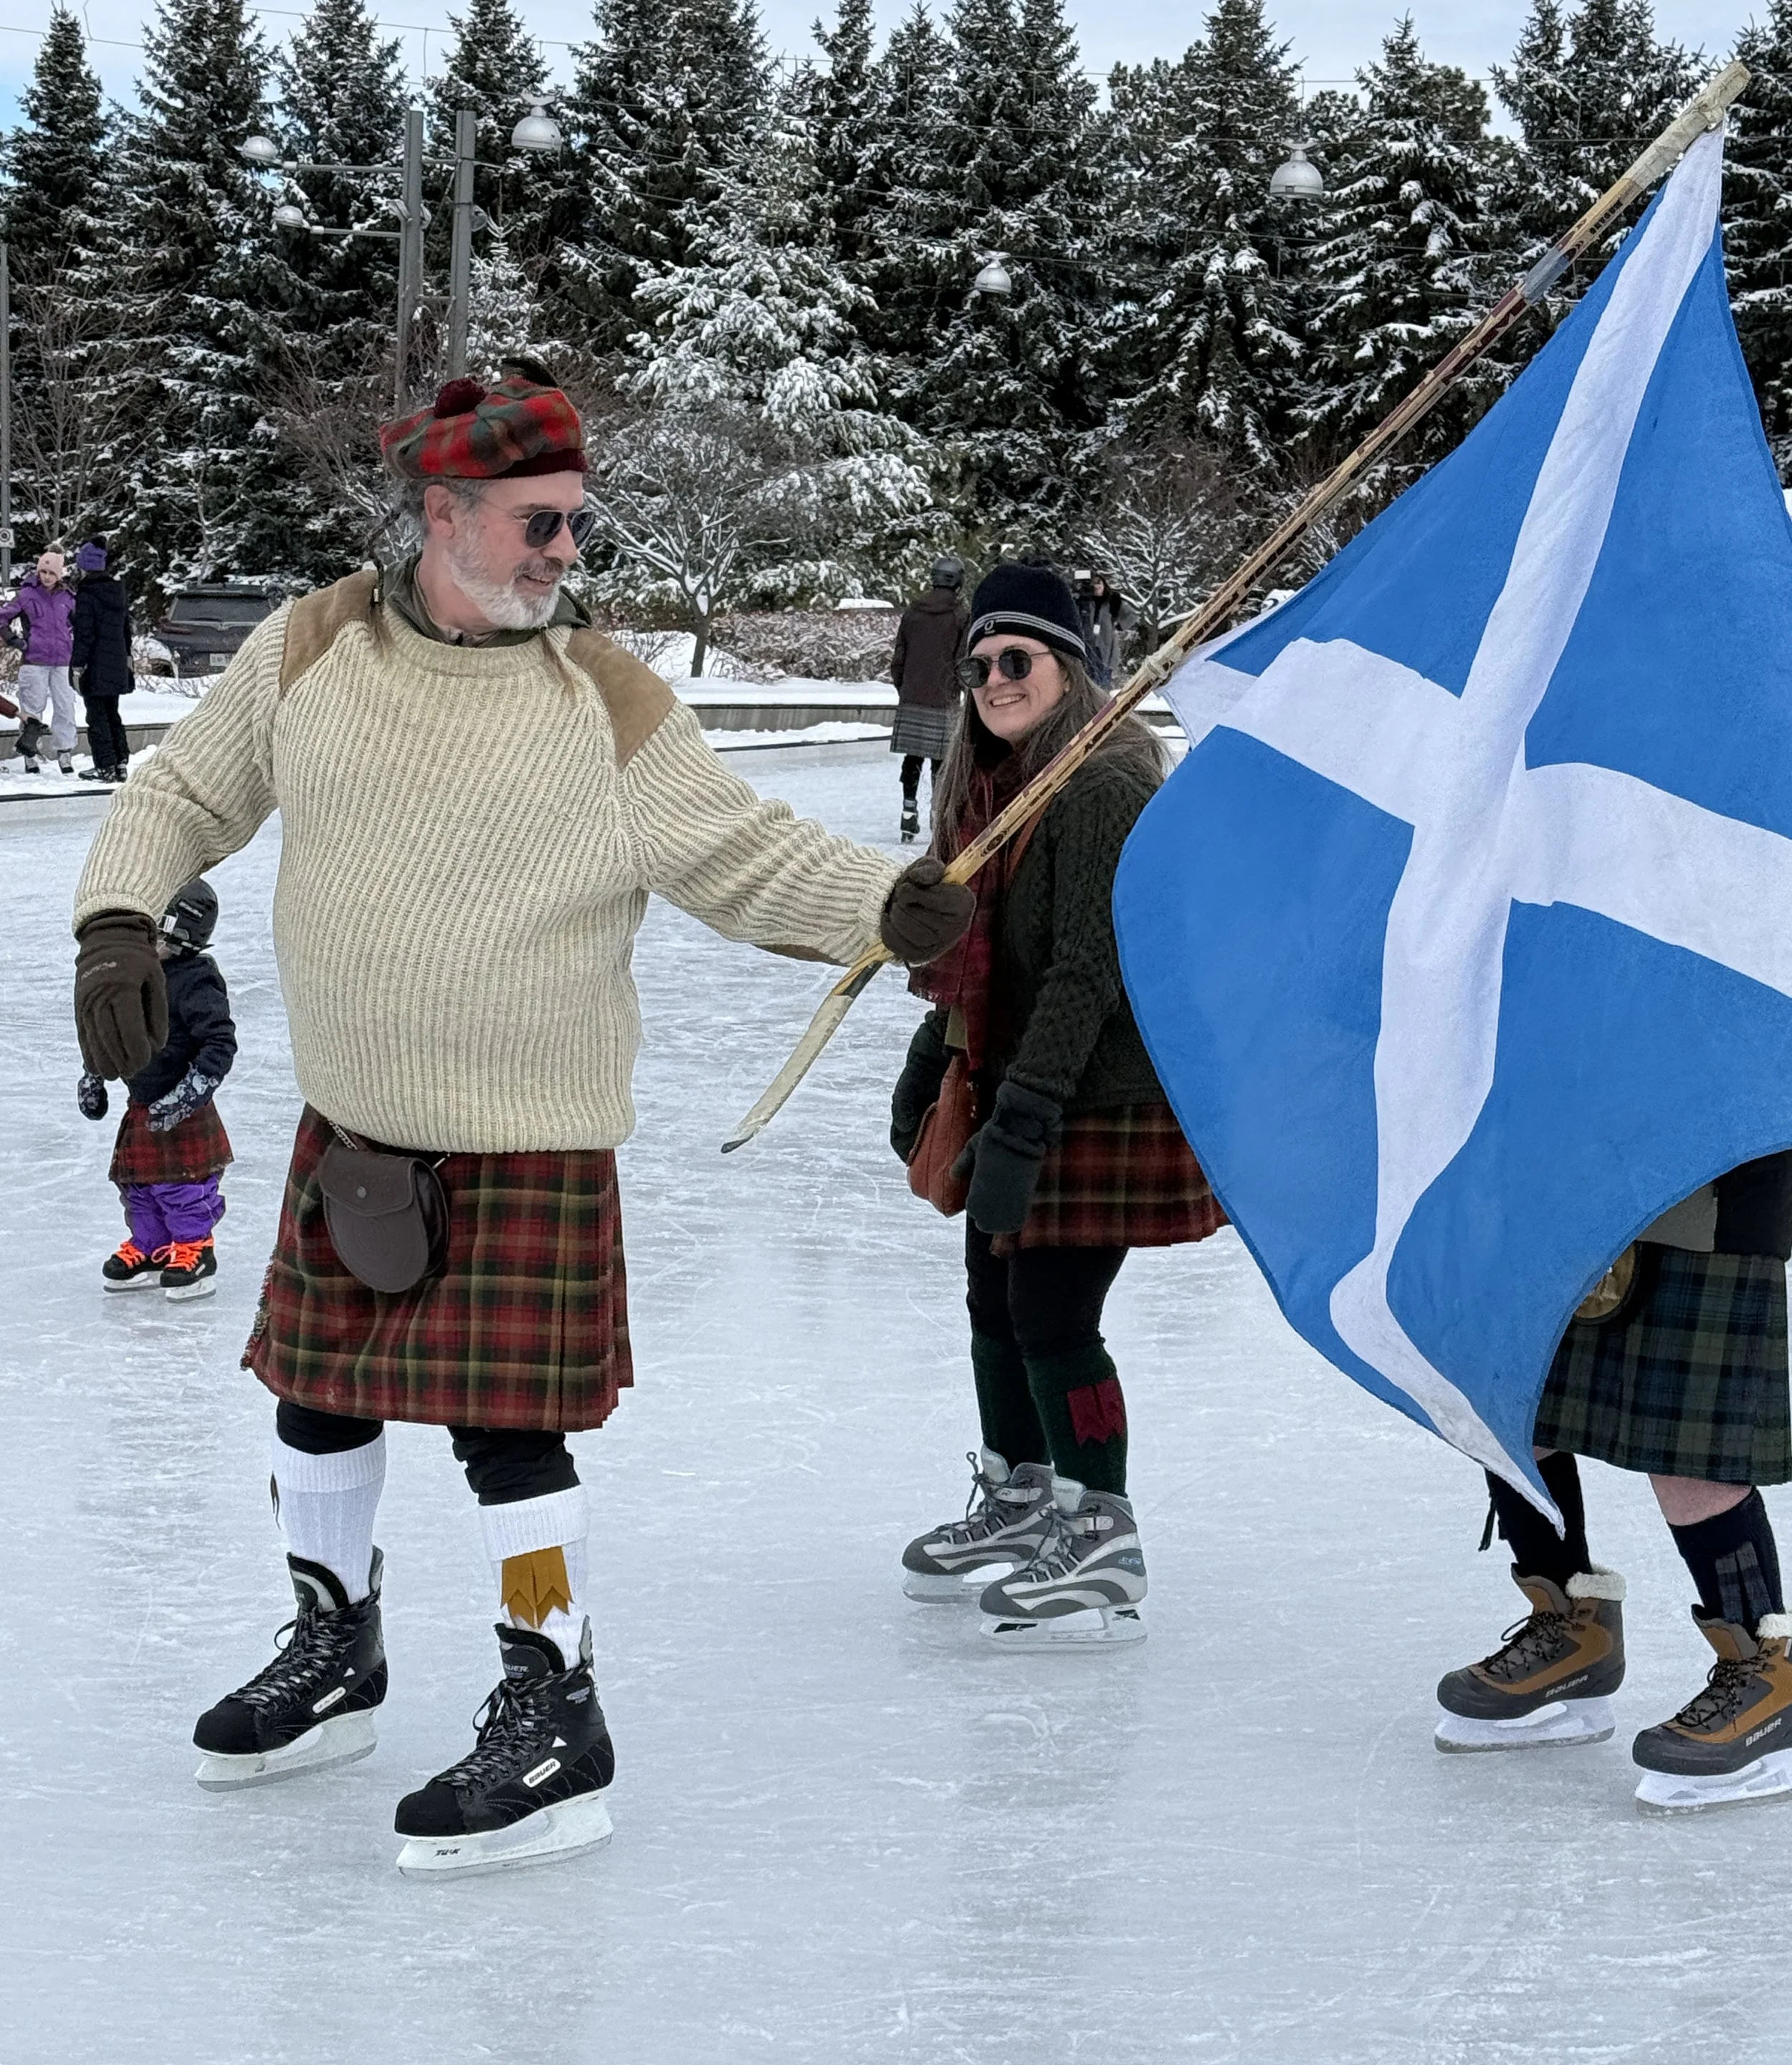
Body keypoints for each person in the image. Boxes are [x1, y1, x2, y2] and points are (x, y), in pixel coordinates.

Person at [71, 361, 972, 1876]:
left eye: (574, 523)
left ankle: (554, 1703)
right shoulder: (312, 649)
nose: (565, 551)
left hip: (524, 1135)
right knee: (317, 1402)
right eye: (538, 523)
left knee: (510, 1443)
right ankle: (333, 1644)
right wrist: (114, 915)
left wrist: (880, 905)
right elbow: (182, 790)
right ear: (444, 514)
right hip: (354, 1124)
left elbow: (735, 852)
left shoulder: (598, 694)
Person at [890, 561, 1226, 1648]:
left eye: (1017, 658)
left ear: (1070, 666)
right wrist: (929, 1069)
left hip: (1098, 1091)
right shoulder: (993, 791)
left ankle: (1103, 1527)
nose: (993, 678)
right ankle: (1024, 1494)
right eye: (979, 662)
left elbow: (1089, 969)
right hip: (1013, 1075)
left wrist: (1026, 1118)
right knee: (995, 1302)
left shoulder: (1102, 783)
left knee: (1052, 1315)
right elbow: (981, 968)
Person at [1436, 1163, 1792, 1809]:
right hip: (1564, 1168)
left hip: (1707, 1171)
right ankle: (1572, 1630)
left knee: (1692, 1449)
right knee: (1517, 1412)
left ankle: (1769, 1675)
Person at [80, 877, 236, 1301]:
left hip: (183, 1108)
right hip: (143, 1104)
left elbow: (220, 1042)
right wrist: (95, 1073)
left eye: (161, 935)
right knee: (139, 1186)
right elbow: (113, 1030)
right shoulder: (139, 974)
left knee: (181, 1186)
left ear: (185, 936)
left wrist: (190, 1092)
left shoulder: (197, 980)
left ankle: (195, 1249)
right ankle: (151, 1247)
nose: (151, 944)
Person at [890, 558, 968, 843]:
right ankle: (938, 816)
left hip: (912, 696)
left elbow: (898, 658)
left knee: (912, 757)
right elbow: (962, 660)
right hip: (943, 699)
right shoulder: (960, 615)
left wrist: (905, 688)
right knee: (940, 763)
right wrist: (958, 693)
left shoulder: (913, 612)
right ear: (958, 581)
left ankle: (908, 813)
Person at [0, 548, 78, 776]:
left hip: (63, 661)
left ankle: (65, 751)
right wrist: (15, 641)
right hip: (34, 661)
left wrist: (74, 644)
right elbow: (2, 618)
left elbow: (79, 623)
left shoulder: (68, 597)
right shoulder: (26, 595)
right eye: (43, 571)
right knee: (32, 708)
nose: (46, 576)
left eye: (51, 573)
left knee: (65, 706)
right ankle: (30, 753)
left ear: (59, 575)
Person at [70, 540, 133, 786]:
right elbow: (126, 630)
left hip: (95, 665)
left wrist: (78, 665)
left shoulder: (87, 594)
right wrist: (127, 658)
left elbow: (85, 634)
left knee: (96, 717)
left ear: (85, 566)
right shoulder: (117, 592)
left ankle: (105, 766)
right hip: (116, 662)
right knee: (112, 713)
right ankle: (120, 762)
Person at [1077, 572, 1124, 689]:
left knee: (1102, 684)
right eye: (1093, 583)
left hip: (1105, 647)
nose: (1096, 586)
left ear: (1105, 585)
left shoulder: (1113, 601)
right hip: (1087, 645)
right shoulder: (1085, 602)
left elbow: (1131, 616)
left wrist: (1119, 625)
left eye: (1099, 583)